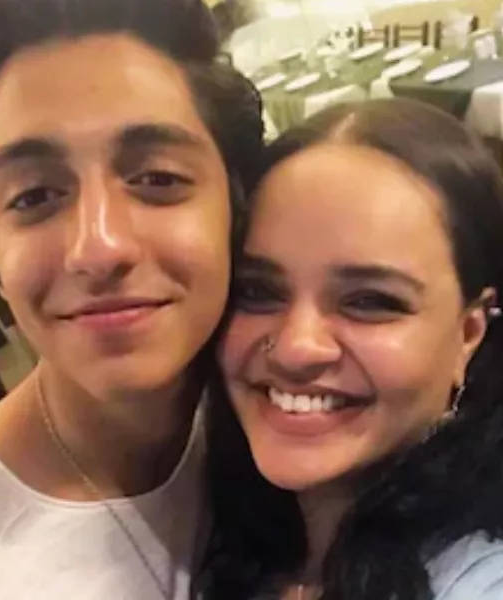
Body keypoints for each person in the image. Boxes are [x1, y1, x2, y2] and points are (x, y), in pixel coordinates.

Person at [0, 0, 263, 598]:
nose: (99, 248)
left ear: (236, 200)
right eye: (34, 196)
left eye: (157, 178)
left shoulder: (284, 398)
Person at [198, 99, 503, 600]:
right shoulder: (215, 535)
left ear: (469, 333)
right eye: (257, 291)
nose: (295, 348)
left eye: (370, 302)